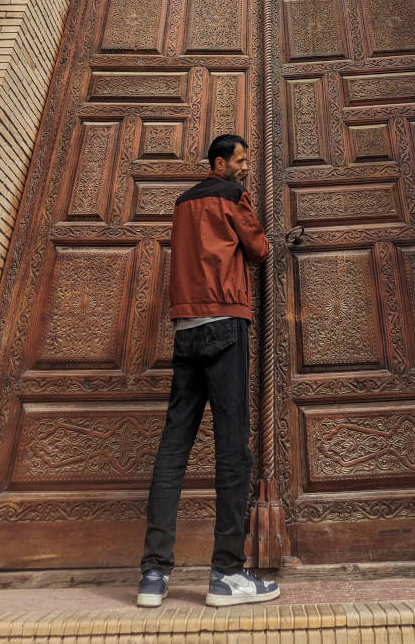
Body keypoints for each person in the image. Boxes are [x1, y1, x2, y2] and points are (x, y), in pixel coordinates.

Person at [137, 133, 281, 609]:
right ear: (220, 162)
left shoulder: (181, 204)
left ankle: (154, 576)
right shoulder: (231, 196)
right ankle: (226, 574)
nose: (247, 168)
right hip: (225, 322)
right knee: (232, 450)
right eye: (241, 160)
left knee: (173, 448)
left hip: (187, 328)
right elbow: (258, 249)